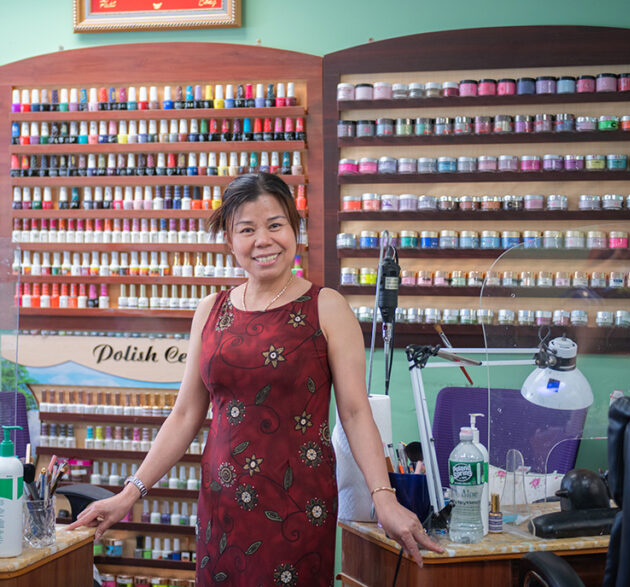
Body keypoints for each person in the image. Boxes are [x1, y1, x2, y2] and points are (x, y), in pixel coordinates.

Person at [69, 172, 442, 584]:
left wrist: (383, 498)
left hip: (298, 506)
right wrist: (129, 493)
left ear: (294, 231)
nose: (263, 240)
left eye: (275, 225)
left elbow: (354, 413)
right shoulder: (211, 310)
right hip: (222, 504)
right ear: (230, 241)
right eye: (247, 229)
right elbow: (185, 414)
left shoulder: (326, 307)